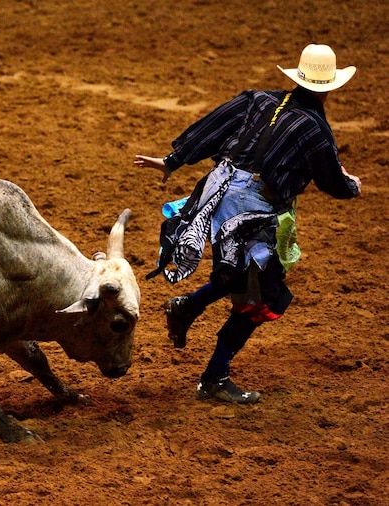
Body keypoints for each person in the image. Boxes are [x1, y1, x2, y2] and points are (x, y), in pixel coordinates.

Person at [134, 44, 362, 404]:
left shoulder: (260, 99)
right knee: (260, 297)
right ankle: (213, 378)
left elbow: (216, 123)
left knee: (241, 277)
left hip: (217, 191)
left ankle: (188, 308)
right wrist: (352, 185)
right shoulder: (315, 130)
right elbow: (333, 181)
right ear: (330, 87)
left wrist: (174, 160)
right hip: (249, 206)